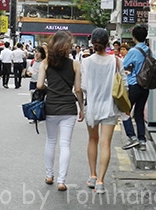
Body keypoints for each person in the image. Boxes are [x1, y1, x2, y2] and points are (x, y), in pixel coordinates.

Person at [81, 29, 128, 194]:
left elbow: (83, 87)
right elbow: (125, 85)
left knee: (92, 139)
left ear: (92, 42)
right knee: (105, 143)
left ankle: (92, 175)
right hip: (110, 108)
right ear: (108, 42)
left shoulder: (86, 62)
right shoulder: (116, 61)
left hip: (92, 107)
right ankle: (101, 182)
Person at [37, 31, 84, 192]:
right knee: (65, 145)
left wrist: (49, 88)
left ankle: (49, 175)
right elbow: (78, 89)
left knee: (51, 141)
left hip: (51, 106)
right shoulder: (75, 64)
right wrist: (82, 109)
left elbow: (38, 86)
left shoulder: (45, 63)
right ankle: (61, 181)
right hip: (69, 108)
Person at [121, 25, 150, 152]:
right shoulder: (148, 50)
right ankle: (142, 141)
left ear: (134, 37)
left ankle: (132, 137)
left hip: (134, 84)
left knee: (125, 110)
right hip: (145, 85)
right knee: (139, 113)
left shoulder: (133, 51)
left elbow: (123, 65)